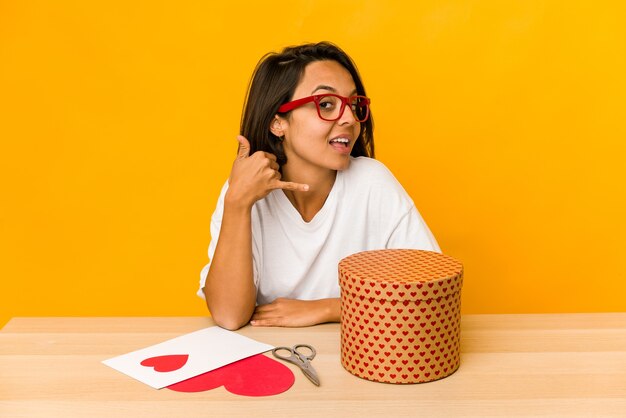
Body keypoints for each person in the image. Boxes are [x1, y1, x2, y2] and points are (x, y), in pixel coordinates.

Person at [198, 42, 440, 330]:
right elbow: (228, 316)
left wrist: (328, 308)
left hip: (354, 357)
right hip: (267, 358)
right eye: (326, 104)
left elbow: (431, 295)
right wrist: (237, 203)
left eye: (353, 104)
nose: (349, 118)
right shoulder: (244, 193)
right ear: (278, 123)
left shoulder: (373, 183)